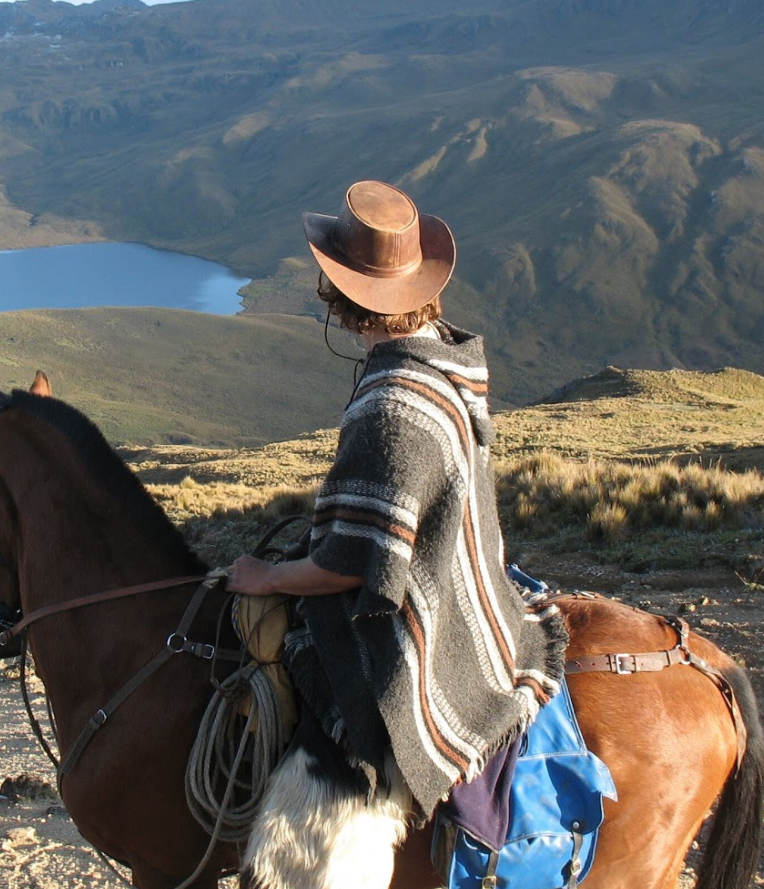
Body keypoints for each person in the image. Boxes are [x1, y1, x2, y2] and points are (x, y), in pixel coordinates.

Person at [227, 180, 568, 889]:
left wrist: (268, 576)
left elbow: (353, 565)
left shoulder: (390, 403)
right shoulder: (444, 359)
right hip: (464, 583)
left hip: (419, 626)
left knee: (327, 745)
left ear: (342, 297)